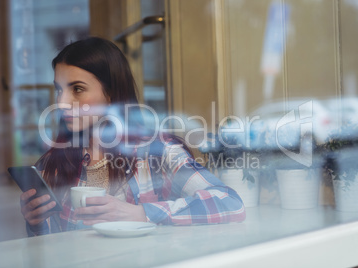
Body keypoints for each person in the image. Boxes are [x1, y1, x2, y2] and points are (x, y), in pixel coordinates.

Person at [20, 37, 246, 236]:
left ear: (110, 94)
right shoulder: (52, 164)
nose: (61, 102)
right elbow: (52, 251)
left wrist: (140, 213)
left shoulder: (157, 151)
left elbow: (230, 203)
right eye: (59, 89)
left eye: (77, 89)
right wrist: (36, 222)